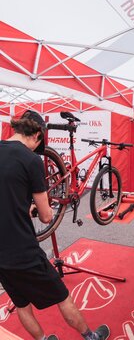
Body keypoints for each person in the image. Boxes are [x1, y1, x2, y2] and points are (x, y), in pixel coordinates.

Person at [0, 110, 110, 340]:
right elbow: (47, 217)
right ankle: (90, 336)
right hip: (23, 252)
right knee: (63, 297)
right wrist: (39, 206)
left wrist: (23, 206)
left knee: (22, 304)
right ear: (37, 135)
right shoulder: (31, 160)